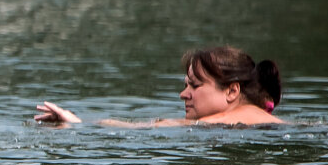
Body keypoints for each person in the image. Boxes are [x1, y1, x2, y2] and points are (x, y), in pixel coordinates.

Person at [35, 46, 284, 127]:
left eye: (195, 86)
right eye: (186, 85)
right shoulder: (252, 119)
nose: (183, 94)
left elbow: (154, 128)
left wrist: (80, 125)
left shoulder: (227, 121)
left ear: (232, 91)